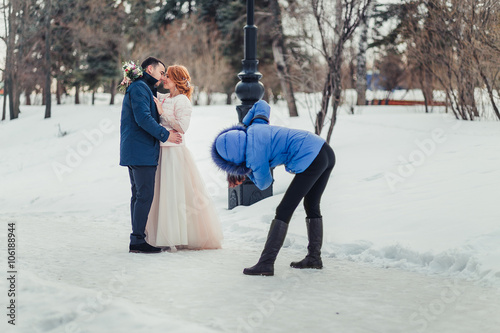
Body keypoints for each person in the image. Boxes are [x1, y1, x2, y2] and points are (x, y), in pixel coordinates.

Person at [211, 100, 335, 276]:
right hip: (324, 151)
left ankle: (266, 263)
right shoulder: (255, 126)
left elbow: (265, 183)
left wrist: (247, 171)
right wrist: (244, 124)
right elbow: (261, 104)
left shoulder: (254, 158)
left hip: (311, 157)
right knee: (311, 204)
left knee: (284, 209)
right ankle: (314, 258)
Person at [145, 65, 223, 250]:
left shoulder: (182, 101)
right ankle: (160, 234)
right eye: (164, 76)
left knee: (174, 193)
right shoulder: (165, 97)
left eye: (168, 76)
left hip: (175, 153)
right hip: (162, 150)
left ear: (177, 79)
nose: (164, 79)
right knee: (161, 193)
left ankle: (176, 235)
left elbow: (182, 127)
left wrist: (163, 113)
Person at [120, 57, 182, 254]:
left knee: (139, 195)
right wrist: (167, 136)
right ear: (150, 69)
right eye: (161, 72)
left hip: (138, 150)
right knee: (144, 195)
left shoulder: (143, 87)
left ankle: (137, 237)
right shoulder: (139, 87)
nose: (163, 76)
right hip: (140, 150)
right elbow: (143, 119)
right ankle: (138, 240)